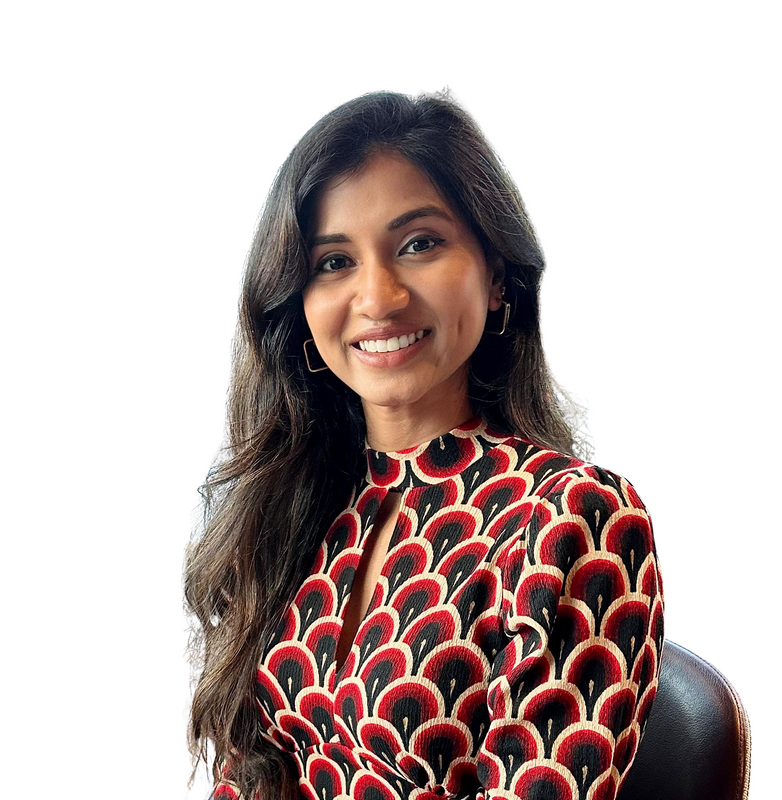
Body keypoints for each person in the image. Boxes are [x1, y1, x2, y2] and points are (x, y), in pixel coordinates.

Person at [184, 90, 665, 800]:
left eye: (418, 244)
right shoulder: (299, 500)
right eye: (332, 262)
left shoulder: (571, 520)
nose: (377, 297)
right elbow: (249, 773)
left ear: (497, 274)